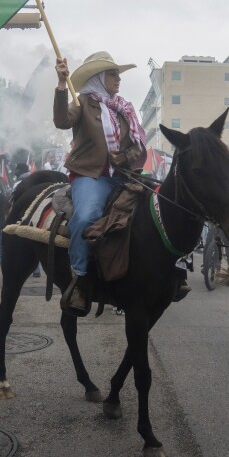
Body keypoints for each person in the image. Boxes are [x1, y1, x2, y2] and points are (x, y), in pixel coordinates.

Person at [53, 52, 145, 316]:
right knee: (86, 217)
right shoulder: (82, 102)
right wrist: (61, 85)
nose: (119, 79)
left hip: (124, 176)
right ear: (98, 77)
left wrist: (123, 156)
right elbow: (61, 121)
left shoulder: (125, 108)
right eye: (113, 74)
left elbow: (137, 149)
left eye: (118, 74)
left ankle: (166, 272)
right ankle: (80, 281)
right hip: (90, 176)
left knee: (157, 210)